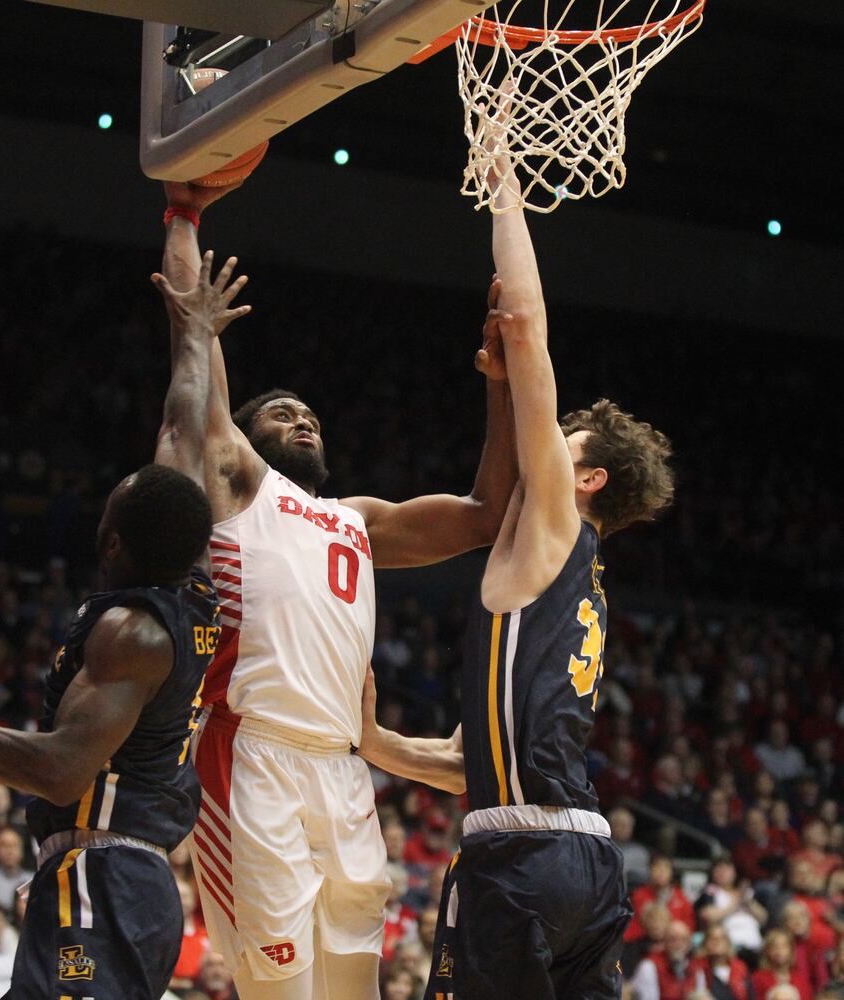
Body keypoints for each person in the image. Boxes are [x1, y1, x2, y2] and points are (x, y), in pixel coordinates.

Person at [0, 252, 248, 999]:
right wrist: (193, 333)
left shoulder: (131, 631)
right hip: (125, 878)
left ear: (113, 543)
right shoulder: (190, 582)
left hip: (104, 870)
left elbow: (61, 768)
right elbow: (179, 427)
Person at [161, 171, 516, 1000]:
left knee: (354, 987)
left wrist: (499, 379)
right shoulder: (242, 489)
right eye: (280, 413)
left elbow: (485, 513)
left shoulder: (356, 518)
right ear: (244, 443)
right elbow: (197, 373)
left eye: (308, 413)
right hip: (253, 753)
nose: (302, 418)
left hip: (344, 770)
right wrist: (182, 216)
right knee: (276, 989)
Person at [357, 97, 675, 999]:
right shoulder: (575, 579)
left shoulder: (555, 525)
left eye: (565, 444)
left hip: (521, 863)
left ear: (590, 482)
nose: (551, 443)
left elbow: (528, 330)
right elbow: (465, 760)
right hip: (580, 859)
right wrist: (372, 738)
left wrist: (502, 181)